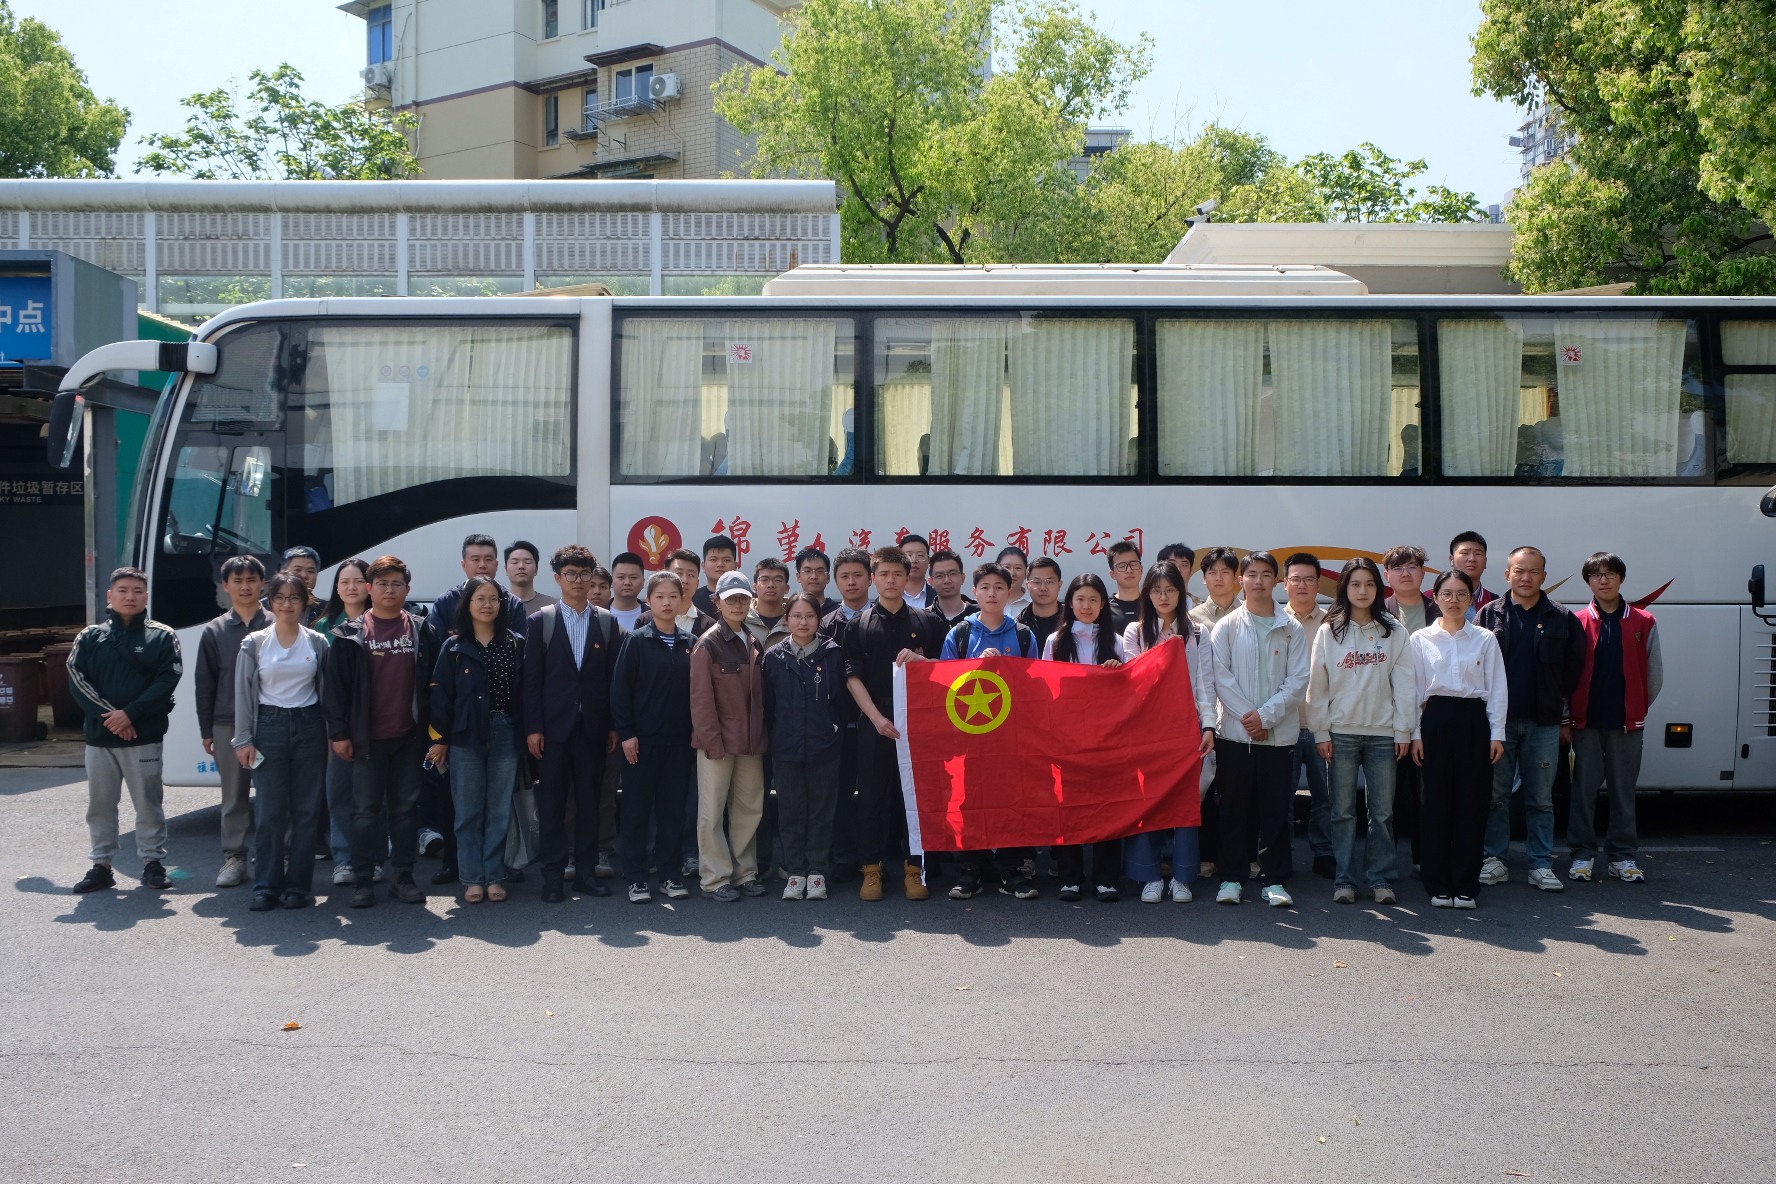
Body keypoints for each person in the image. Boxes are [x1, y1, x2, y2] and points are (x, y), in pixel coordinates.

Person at [323, 555, 438, 908]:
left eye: (396, 584)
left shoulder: (422, 630)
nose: (390, 590)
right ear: (370, 588)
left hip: (409, 738)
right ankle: (362, 879)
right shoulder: (349, 634)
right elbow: (335, 690)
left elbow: (436, 686)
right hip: (366, 740)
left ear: (407, 589)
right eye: (383, 584)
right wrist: (339, 734)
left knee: (405, 809)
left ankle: (403, 876)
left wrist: (436, 736)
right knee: (364, 811)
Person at [1475, 545, 1587, 892]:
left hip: (1543, 723)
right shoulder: (1489, 615)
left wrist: (1552, 700)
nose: (1526, 577)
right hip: (1499, 723)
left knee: (1540, 799)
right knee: (1495, 797)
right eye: (1519, 571)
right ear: (1507, 574)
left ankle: (1540, 863)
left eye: (1533, 571)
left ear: (1544, 576)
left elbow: (1574, 670)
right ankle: (1495, 859)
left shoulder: (1562, 618)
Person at [1306, 559, 1417, 905]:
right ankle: (1344, 880)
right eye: (1355, 584)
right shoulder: (1329, 631)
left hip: (1384, 734)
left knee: (1382, 813)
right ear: (1345, 588)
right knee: (1342, 812)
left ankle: (1380, 878)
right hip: (1340, 733)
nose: (1363, 591)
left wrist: (1403, 731)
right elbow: (1317, 685)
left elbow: (1406, 686)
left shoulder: (1394, 631)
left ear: (1378, 589)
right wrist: (1321, 731)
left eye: (1369, 584)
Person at [68, 568, 183, 894]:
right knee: (100, 805)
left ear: (146, 596)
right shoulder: (90, 637)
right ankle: (101, 866)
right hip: (100, 739)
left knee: (148, 804)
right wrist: (113, 718)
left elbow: (168, 679)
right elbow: (76, 679)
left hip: (144, 736)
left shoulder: (163, 636)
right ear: (110, 595)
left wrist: (130, 714)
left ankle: (152, 864)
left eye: (137, 590)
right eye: (122, 590)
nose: (129, 596)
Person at [1208, 551, 1310, 909]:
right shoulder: (1227, 626)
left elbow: (1298, 681)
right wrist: (1249, 718)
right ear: (1242, 580)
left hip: (1278, 736)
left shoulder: (1292, 628)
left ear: (1277, 581)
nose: (1258, 581)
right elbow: (1220, 677)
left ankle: (1274, 879)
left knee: (1275, 811)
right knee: (1233, 809)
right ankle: (1232, 878)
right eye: (1252, 574)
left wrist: (1264, 718)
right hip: (1235, 736)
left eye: (1266, 574)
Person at [844, 545, 946, 902]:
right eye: (884, 574)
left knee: (914, 799)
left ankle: (914, 868)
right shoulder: (858, 624)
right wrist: (876, 718)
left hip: (918, 725)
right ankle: (871, 869)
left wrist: (923, 661)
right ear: (874, 579)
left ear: (908, 578)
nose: (891, 580)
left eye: (897, 574)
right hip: (875, 723)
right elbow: (852, 677)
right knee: (871, 798)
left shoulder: (928, 621)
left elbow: (949, 670)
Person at [522, 545, 623, 903]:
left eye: (584, 574)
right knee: (552, 804)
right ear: (557, 578)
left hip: (593, 729)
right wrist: (533, 727)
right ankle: (552, 876)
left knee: (590, 802)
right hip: (552, 730)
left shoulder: (607, 622)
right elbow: (531, 681)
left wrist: (614, 725)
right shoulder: (541, 621)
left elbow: (613, 681)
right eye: (571, 574)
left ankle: (586, 873)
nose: (578, 581)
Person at [423, 535, 525, 885]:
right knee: (467, 813)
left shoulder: (514, 643)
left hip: (505, 732)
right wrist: (440, 739)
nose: (487, 605)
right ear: (467, 604)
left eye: (493, 599)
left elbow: (524, 693)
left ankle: (494, 876)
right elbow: (440, 695)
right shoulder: (453, 647)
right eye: (479, 599)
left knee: (499, 811)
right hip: (464, 736)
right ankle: (471, 878)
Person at [941, 562, 1041, 901]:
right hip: (971, 737)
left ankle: (1011, 870)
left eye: (999, 587)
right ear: (975, 592)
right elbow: (945, 685)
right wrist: (976, 668)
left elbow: (1034, 685)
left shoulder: (1023, 634)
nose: (992, 593)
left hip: (1012, 737)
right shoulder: (960, 634)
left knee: (1012, 800)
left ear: (1010, 592)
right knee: (971, 800)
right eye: (985, 587)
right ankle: (970, 870)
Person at [1120, 562, 1217, 904]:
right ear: (1147, 594)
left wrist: (1209, 725)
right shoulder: (1135, 632)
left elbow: (1205, 683)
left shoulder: (1198, 632)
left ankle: (1183, 877)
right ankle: (1149, 876)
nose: (1163, 597)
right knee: (1147, 801)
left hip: (1186, 728)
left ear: (1181, 593)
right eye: (1157, 591)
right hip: (1147, 729)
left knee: (1185, 802)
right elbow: (1133, 680)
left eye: (1170, 590)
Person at [231, 572, 329, 911]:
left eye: (295, 597)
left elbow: (327, 693)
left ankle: (298, 887)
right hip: (269, 727)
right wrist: (243, 740)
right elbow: (242, 696)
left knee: (306, 812)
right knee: (270, 812)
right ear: (270, 602)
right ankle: (266, 886)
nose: (287, 604)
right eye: (281, 597)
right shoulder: (254, 643)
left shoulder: (318, 642)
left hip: (310, 726)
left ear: (305, 603)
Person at [1410, 570, 1508, 908]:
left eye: (1461, 594)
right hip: (1434, 721)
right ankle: (1437, 884)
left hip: (1473, 722)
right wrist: (1415, 734)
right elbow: (1414, 692)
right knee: (1434, 804)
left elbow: (1497, 689)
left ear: (1471, 598)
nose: (1454, 600)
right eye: (1447, 594)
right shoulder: (1420, 639)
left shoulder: (1485, 638)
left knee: (1472, 803)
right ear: (1435, 597)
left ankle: (1466, 884)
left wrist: (1497, 733)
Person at [1567, 552, 1662, 884]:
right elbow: (1567, 674)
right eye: (1596, 575)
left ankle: (1622, 856)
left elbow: (1654, 674)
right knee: (1583, 793)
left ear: (1621, 578)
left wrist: (1637, 707)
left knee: (1624, 793)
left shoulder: (1643, 621)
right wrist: (1566, 716)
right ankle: (1582, 855)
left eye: (1610, 574)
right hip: (1585, 722)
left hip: (1626, 724)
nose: (1603, 580)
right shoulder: (1577, 621)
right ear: (1588, 582)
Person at [611, 572, 697, 903]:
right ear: (649, 601)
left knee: (672, 812)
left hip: (679, 743)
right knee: (636, 810)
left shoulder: (690, 642)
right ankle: (636, 878)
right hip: (641, 743)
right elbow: (620, 690)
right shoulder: (637, 640)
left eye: (673, 596)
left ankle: (670, 875)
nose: (666, 602)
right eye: (659, 596)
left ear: (681, 600)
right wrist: (627, 733)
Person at [1042, 573, 1128, 902]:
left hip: (1107, 738)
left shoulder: (1117, 642)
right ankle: (1070, 878)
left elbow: (1132, 688)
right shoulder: (1055, 641)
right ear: (1070, 603)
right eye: (1080, 599)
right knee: (1070, 807)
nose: (1087, 605)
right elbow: (1045, 689)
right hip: (1067, 738)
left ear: (1103, 603)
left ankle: (1106, 879)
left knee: (1108, 807)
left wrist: (1118, 673)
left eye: (1093, 599)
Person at [690, 571, 771, 901]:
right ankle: (715, 878)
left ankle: (745, 873)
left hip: (751, 742)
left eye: (742, 598)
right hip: (718, 743)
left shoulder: (752, 640)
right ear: (717, 602)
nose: (737, 604)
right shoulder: (707, 643)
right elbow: (700, 701)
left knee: (749, 809)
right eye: (730, 599)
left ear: (750, 601)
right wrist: (712, 743)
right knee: (712, 812)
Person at [764, 592, 846, 900]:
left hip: (824, 745)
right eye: (797, 616)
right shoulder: (773, 657)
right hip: (786, 747)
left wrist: (832, 728)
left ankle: (817, 872)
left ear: (819, 619)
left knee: (822, 811)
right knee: (790, 812)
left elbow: (843, 702)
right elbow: (768, 704)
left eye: (810, 616)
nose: (803, 622)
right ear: (786, 619)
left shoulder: (832, 654)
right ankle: (795, 871)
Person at [195, 554, 270, 890]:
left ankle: (278, 855)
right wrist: (206, 730)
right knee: (234, 796)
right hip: (227, 723)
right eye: (237, 581)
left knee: (274, 794)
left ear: (263, 584)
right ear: (225, 586)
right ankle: (234, 857)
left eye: (251, 580)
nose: (245, 587)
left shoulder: (278, 623)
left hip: (272, 720)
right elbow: (205, 683)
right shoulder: (215, 630)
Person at [315, 558, 376, 882]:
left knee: (372, 796)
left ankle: (372, 858)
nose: (351, 587)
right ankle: (343, 859)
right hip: (334, 725)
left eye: (357, 580)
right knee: (338, 793)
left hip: (375, 722)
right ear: (336, 589)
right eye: (344, 582)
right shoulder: (323, 628)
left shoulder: (381, 622)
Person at [1382, 544, 1436, 871]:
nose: (1405, 573)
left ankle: (1423, 858)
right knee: (1385, 796)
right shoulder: (1377, 611)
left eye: (1412, 566)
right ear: (1387, 575)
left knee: (1425, 794)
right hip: (1387, 715)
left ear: (1423, 573)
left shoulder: (1441, 610)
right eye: (1398, 568)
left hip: (1430, 715)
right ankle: (1384, 863)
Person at [1282, 552, 1334, 879]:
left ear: (1318, 583)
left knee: (1325, 797)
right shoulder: (1273, 620)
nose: (1302, 585)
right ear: (1285, 583)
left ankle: (1324, 852)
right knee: (1282, 798)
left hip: (1321, 726)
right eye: (1296, 579)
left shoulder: (1333, 622)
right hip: (1284, 724)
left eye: (1309, 579)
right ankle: (1282, 855)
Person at [1017, 556, 1065, 654]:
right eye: (1037, 582)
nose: (1043, 588)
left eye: (1049, 582)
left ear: (1059, 585)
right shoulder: (1018, 625)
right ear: (1028, 586)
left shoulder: (1072, 620)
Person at [823, 547, 872, 636]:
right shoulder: (826, 625)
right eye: (845, 576)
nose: (851, 582)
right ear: (836, 582)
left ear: (870, 579)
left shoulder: (885, 620)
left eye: (857, 575)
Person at [1190, 546, 1243, 630]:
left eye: (1225, 572)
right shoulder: (1193, 617)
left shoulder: (1250, 612)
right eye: (1212, 572)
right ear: (1204, 578)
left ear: (1235, 577)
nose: (1218, 578)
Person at [1448, 531, 1499, 618]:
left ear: (1485, 562)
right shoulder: (1431, 599)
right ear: (1451, 560)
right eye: (1465, 553)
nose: (1472, 559)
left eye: (1478, 554)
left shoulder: (1496, 602)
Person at [746, 557, 792, 649]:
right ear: (755, 587)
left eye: (778, 580)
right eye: (764, 579)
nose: (771, 585)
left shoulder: (796, 620)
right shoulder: (741, 618)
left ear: (787, 588)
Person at [274, 546, 327, 626]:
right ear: (282, 573)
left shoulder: (327, 610)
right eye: (297, 570)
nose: (304, 575)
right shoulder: (264, 608)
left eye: (310, 571)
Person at [928, 548, 976, 630]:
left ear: (963, 578)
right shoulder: (924, 618)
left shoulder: (979, 614)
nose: (947, 580)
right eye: (939, 576)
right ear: (931, 582)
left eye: (952, 574)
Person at [504, 540, 556, 614]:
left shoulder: (551, 606)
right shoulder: (498, 605)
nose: (521, 566)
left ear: (536, 569)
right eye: (515, 562)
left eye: (527, 562)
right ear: (506, 569)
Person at [695, 535, 739, 619]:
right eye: (713, 560)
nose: (720, 564)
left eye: (726, 560)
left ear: (736, 565)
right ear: (703, 565)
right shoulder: (691, 599)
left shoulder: (749, 600)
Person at [1106, 540, 1145, 632]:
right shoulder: (1105, 609)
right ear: (1112, 574)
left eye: (1133, 564)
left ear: (1141, 569)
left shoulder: (1153, 604)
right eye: (1122, 566)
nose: (1129, 570)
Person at [608, 552, 648, 630]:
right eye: (621, 577)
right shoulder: (598, 615)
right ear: (611, 581)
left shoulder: (653, 617)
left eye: (633, 577)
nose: (627, 582)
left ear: (643, 582)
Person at [795, 546, 838, 612]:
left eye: (820, 571)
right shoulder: (792, 611)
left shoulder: (838, 612)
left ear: (828, 578)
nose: (813, 576)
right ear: (798, 577)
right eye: (807, 571)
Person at [900, 534, 935, 608]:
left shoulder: (939, 597)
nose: (914, 560)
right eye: (908, 555)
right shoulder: (887, 598)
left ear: (929, 561)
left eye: (920, 555)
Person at [998, 546, 1032, 617]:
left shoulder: (1034, 604)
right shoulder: (985, 602)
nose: (1012, 573)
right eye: (1006, 567)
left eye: (1018, 568)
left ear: (1026, 572)